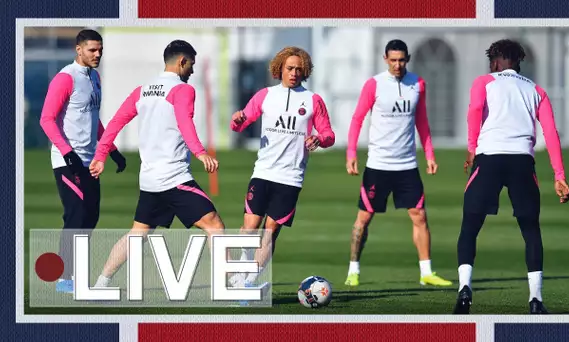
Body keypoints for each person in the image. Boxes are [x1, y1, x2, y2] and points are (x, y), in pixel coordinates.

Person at [89, 40, 226, 289]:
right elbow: (185, 122)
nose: (192, 71)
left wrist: (100, 156)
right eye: (191, 65)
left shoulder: (143, 89)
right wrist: (200, 152)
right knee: (214, 224)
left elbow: (115, 123)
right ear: (182, 62)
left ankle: (101, 283)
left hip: (150, 180)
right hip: (174, 177)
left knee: (138, 234)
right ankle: (233, 283)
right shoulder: (183, 90)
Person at [453, 39, 569, 314]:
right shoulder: (536, 90)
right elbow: (551, 134)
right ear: (520, 62)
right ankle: (536, 299)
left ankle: (464, 288)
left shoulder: (483, 81)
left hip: (489, 159)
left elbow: (473, 112)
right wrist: (559, 175)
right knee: (531, 231)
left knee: (470, 226)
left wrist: (472, 148)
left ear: (494, 61)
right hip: (522, 162)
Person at [344, 39, 452, 288]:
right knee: (364, 218)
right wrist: (351, 153)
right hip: (378, 165)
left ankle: (426, 272)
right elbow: (357, 118)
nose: (397, 65)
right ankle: (353, 270)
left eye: (401, 60)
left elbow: (422, 121)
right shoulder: (374, 84)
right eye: (392, 60)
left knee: (420, 216)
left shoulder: (418, 84)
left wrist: (430, 154)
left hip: (407, 165)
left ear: (408, 59)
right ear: (385, 59)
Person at [228, 46, 336, 288]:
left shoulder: (312, 100)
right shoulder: (265, 95)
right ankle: (240, 272)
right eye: (290, 68)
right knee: (249, 228)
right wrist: (237, 120)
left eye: (299, 69)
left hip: (291, 177)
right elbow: (241, 122)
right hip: (263, 172)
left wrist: (319, 139)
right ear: (280, 69)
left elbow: (329, 134)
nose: (294, 73)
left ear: (305, 71)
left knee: (270, 231)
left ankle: (250, 281)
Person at [39, 29, 127, 293]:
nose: (97, 54)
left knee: (90, 216)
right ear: (79, 50)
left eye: (100, 49)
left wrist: (111, 150)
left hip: (90, 161)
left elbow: (94, 121)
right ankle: (64, 278)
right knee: (76, 216)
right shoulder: (65, 78)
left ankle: (74, 273)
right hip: (69, 161)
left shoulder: (94, 77)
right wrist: (67, 152)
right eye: (92, 50)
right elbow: (46, 119)